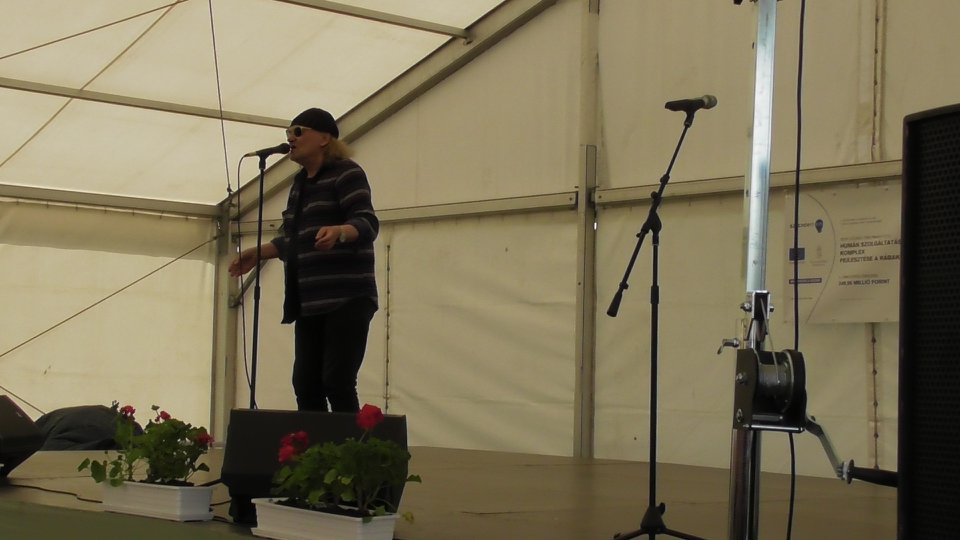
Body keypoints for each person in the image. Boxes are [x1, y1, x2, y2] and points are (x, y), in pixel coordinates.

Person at [229, 108, 379, 413]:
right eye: (288, 133)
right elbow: (296, 238)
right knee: (305, 384)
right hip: (310, 301)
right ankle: (315, 443)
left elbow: (367, 223)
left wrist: (340, 232)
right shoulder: (300, 184)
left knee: (337, 381)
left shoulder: (347, 173)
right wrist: (258, 252)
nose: (290, 138)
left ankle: (351, 443)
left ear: (324, 138)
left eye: (298, 131)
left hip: (347, 297)